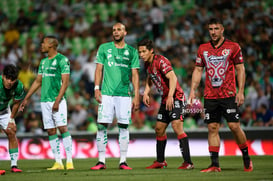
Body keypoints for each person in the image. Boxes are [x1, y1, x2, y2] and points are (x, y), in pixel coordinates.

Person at [188, 18, 253, 172]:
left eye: (216, 29)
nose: (213, 32)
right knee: (212, 127)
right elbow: (198, 70)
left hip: (229, 94)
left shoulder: (233, 47)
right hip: (210, 95)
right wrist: (192, 90)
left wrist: (241, 91)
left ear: (222, 29)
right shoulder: (203, 48)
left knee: (234, 126)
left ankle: (246, 157)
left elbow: (240, 69)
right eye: (211, 29)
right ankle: (215, 164)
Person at [19, 36, 74, 170]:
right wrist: (26, 98)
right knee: (50, 130)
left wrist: (57, 100)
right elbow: (38, 81)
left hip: (58, 100)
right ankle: (58, 162)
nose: (41, 45)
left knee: (62, 128)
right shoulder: (43, 62)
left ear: (51, 45)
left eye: (43, 43)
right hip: (44, 100)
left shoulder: (62, 60)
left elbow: (65, 83)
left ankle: (70, 161)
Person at [138, 39, 194, 169]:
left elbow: (173, 78)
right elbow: (150, 77)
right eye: (139, 52)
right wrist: (146, 92)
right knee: (159, 129)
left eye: (144, 51)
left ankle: (188, 162)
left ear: (151, 50)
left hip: (176, 97)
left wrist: (170, 96)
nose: (141, 54)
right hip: (165, 99)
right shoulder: (147, 64)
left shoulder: (161, 61)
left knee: (176, 126)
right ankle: (160, 161)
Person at [90, 22, 140, 170]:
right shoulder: (104, 48)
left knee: (124, 126)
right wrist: (96, 88)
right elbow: (99, 69)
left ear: (125, 33)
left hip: (124, 94)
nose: (116, 32)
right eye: (114, 30)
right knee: (101, 126)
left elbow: (135, 74)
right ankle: (101, 161)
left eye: (119, 30)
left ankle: (123, 161)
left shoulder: (132, 51)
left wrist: (137, 95)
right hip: (106, 94)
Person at [0, 64, 24, 173]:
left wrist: (11, 119)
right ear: (3, 76)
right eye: (8, 79)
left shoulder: (19, 86)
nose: (10, 82)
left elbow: (16, 103)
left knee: (12, 131)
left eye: (12, 80)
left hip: (4, 110)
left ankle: (14, 165)